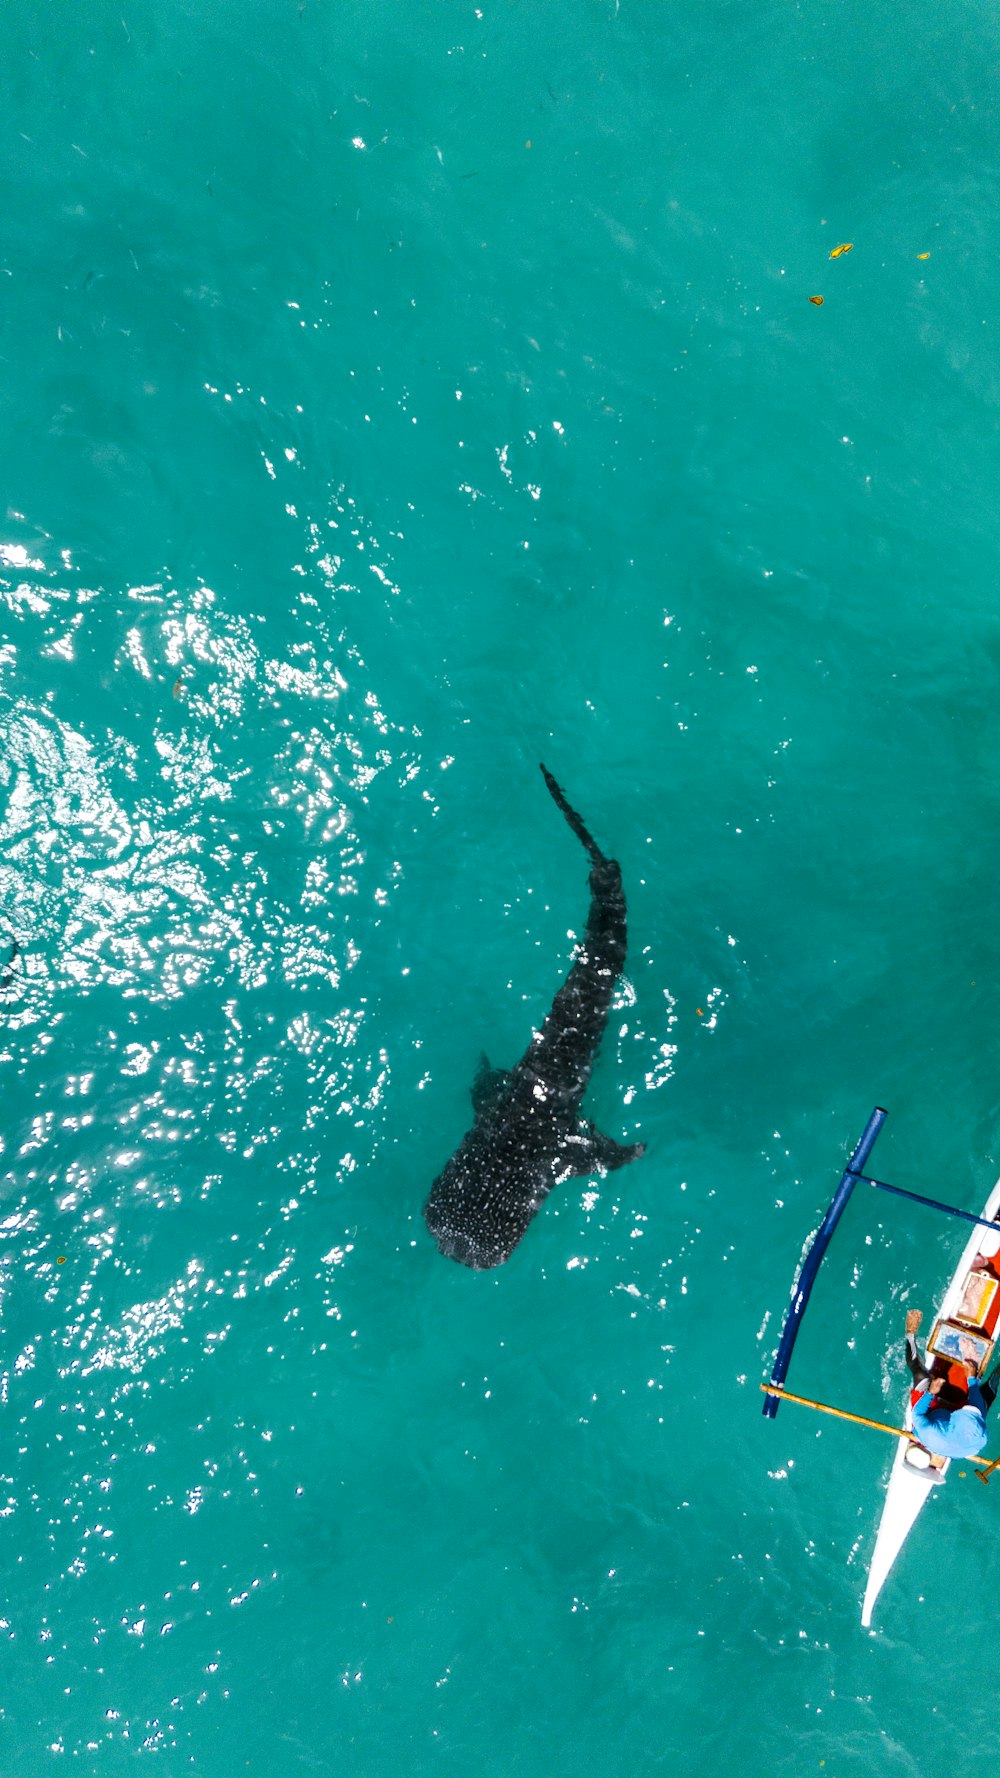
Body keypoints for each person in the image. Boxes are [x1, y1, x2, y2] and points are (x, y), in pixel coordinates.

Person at [903, 1310, 999, 1458]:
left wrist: (930, 1393)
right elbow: (976, 1404)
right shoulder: (980, 1438)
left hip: (930, 1416)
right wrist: (971, 1378)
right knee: (989, 1392)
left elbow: (917, 1413)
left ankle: (910, 1334)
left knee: (919, 1374)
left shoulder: (927, 1429)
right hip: (946, 1429)